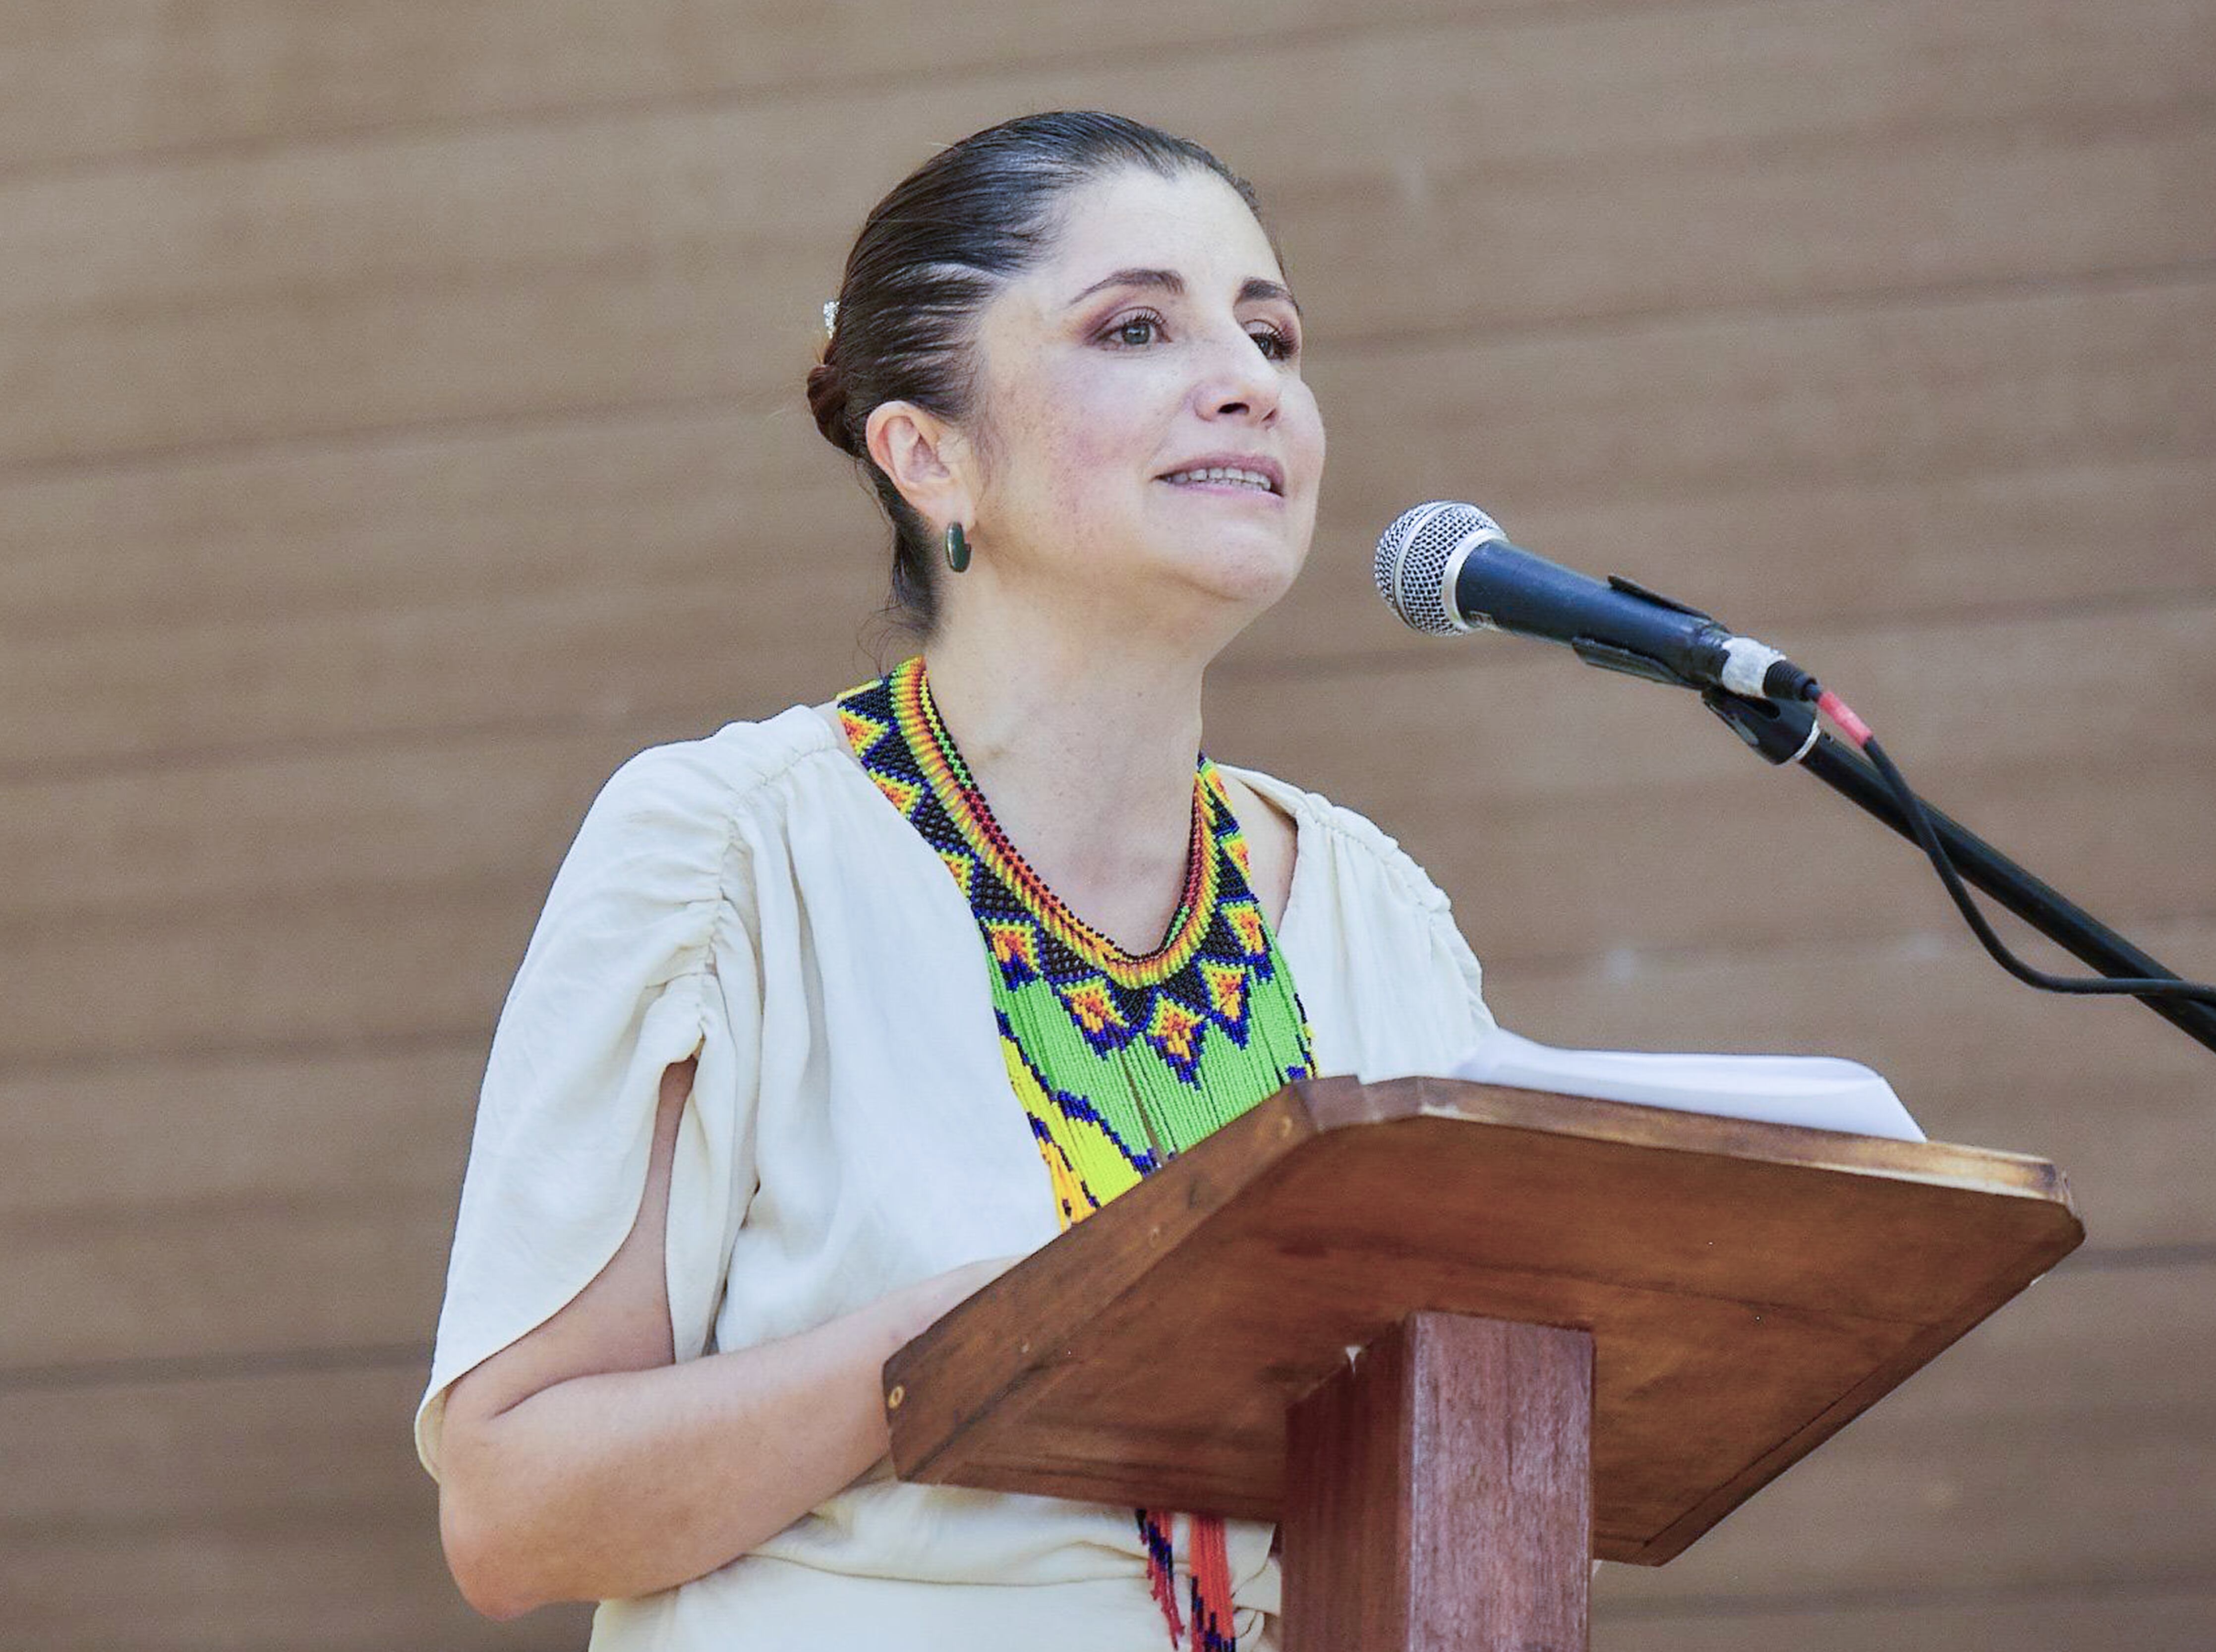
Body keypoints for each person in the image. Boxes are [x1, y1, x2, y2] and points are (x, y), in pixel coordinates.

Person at [415, 111, 1495, 1651]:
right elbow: (517, 1509)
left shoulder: (1378, 917)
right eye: (1137, 326)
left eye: (1272, 335)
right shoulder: (731, 851)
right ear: (928, 454)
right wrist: (981, 1339)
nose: (1252, 380)